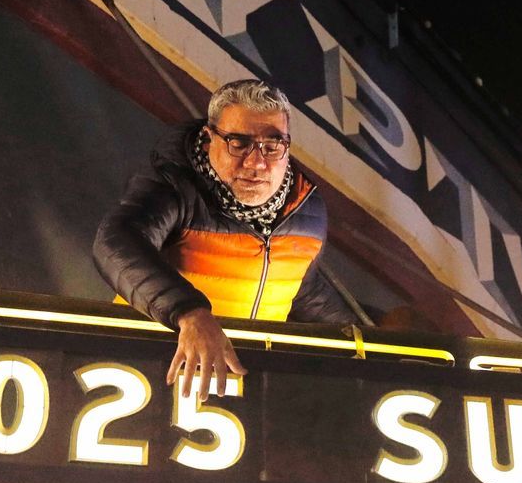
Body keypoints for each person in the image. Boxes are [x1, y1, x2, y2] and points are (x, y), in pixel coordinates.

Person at [94, 79, 355, 401]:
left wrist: (370, 338)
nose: (256, 162)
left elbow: (303, 290)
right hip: (149, 372)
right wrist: (190, 314)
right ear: (208, 139)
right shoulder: (175, 185)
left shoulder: (308, 208)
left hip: (247, 386)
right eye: (238, 143)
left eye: (271, 146)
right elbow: (116, 241)